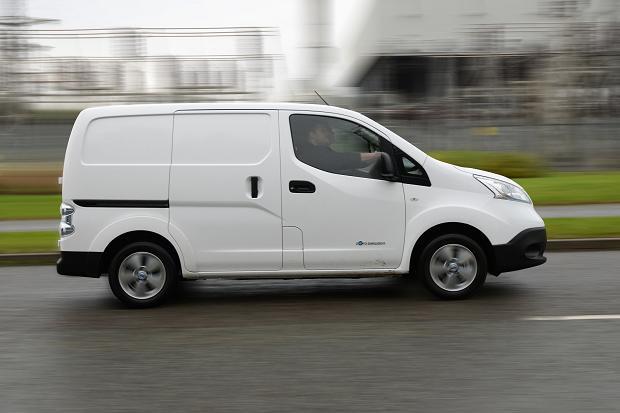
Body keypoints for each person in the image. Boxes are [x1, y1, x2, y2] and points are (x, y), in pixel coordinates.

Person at [296, 119, 381, 174]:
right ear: (312, 134)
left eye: (330, 130)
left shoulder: (319, 151)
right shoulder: (312, 153)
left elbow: (345, 163)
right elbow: (340, 159)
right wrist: (376, 155)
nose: (331, 133)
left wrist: (371, 159)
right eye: (324, 130)